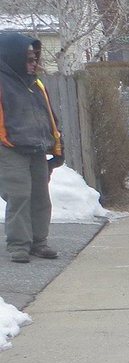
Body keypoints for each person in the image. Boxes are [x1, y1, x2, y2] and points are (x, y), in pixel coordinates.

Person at [0, 33, 63, 263]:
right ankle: (18, 245)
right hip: (9, 147)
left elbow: (49, 117)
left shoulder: (35, 84)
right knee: (18, 195)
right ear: (13, 57)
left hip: (36, 147)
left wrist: (57, 147)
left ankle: (39, 242)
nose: (34, 63)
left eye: (35, 58)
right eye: (29, 59)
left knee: (40, 197)